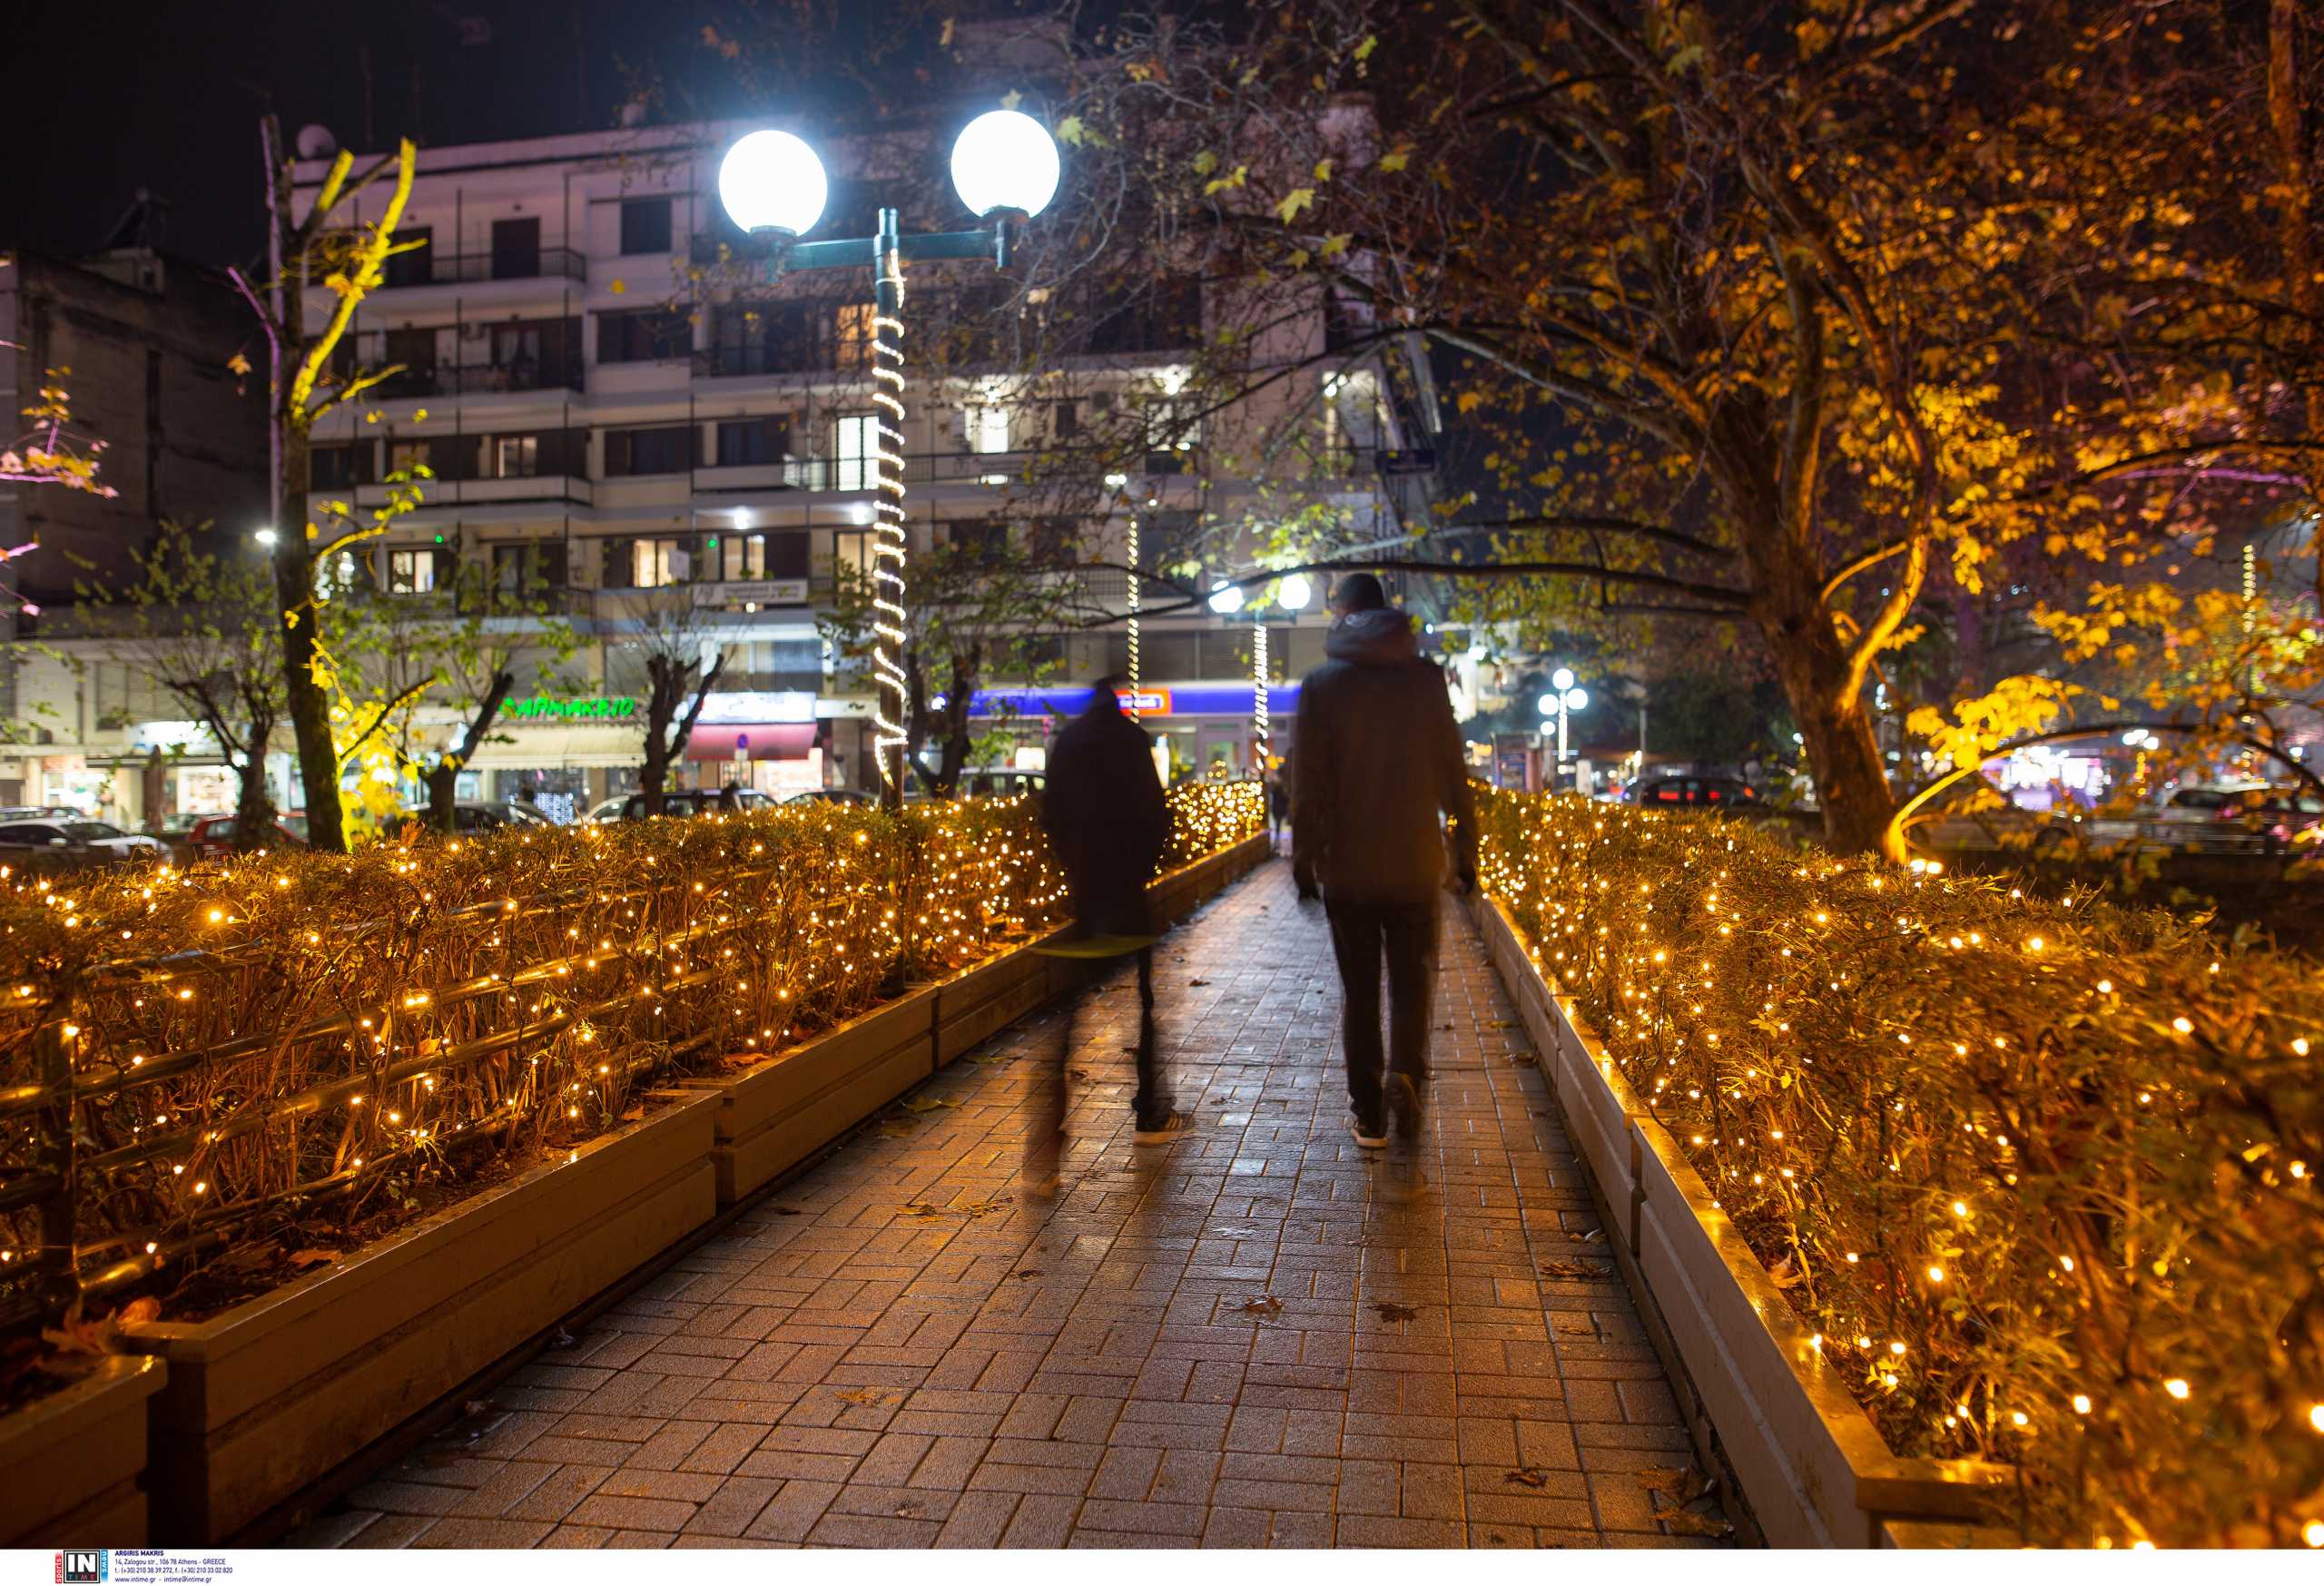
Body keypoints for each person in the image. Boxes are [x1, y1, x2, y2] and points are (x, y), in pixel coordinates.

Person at [1293, 572, 1477, 1149]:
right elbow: (1452, 772)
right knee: (1410, 984)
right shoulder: (1426, 680)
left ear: (1343, 613)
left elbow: (1308, 785)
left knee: (1361, 992)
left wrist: (1304, 861)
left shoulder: (1322, 685)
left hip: (1348, 869)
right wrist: (1464, 852)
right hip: (1415, 864)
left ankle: (1369, 1114)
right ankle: (1406, 1074)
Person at [1029, 677, 1187, 1193]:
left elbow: (1050, 814)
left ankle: (1045, 1149)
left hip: (1085, 891)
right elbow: (1155, 814)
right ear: (1118, 700)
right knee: (1140, 1004)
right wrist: (1139, 868)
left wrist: (1076, 866)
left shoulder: (1068, 742)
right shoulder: (1130, 739)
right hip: (1125, 890)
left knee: (1068, 1014)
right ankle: (1149, 1113)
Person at [1267, 771, 1290, 851]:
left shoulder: (1276, 785)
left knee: (1277, 825)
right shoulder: (1281, 786)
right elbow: (1285, 798)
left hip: (1276, 808)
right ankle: (1276, 842)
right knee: (1278, 825)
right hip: (1279, 809)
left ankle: (1276, 842)